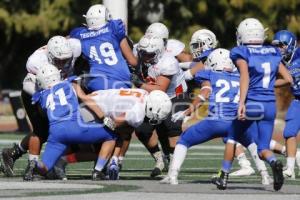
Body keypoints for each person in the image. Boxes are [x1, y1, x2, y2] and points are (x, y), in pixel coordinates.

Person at [212, 18, 293, 191]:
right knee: (263, 147)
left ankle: (223, 176)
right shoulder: (272, 51)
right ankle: (274, 161)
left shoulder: (241, 52)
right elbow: (288, 79)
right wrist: (270, 85)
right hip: (271, 105)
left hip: (253, 104)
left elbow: (245, 77)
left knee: (232, 137)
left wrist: (241, 102)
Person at [0, 36, 80, 180]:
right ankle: (33, 166)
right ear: (49, 56)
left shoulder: (74, 47)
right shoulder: (36, 62)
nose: (62, 63)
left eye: (65, 59)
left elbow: (76, 37)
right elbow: (28, 86)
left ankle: (13, 153)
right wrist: (45, 99)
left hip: (57, 90)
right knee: (41, 130)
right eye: (58, 60)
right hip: (36, 92)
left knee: (60, 128)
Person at [160, 48, 239, 184]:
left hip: (214, 122)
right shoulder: (241, 77)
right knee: (253, 143)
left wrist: (187, 112)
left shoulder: (209, 75)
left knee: (183, 141)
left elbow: (204, 94)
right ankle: (265, 174)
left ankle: (172, 175)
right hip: (234, 123)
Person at [131, 34, 189, 177]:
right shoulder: (137, 53)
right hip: (151, 95)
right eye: (142, 53)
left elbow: (160, 89)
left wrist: (138, 83)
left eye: (149, 54)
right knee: (142, 129)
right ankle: (159, 158)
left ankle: (173, 163)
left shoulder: (168, 62)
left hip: (174, 95)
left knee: (172, 128)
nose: (145, 57)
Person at [69, 4, 137, 91]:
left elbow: (66, 39)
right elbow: (133, 61)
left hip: (97, 84)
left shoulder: (80, 34)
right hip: (120, 82)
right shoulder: (114, 28)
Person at [272, 30, 300, 179]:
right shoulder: (280, 62)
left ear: (291, 44)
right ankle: (290, 168)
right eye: (277, 46)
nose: (279, 49)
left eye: (281, 45)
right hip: (298, 100)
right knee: (289, 132)